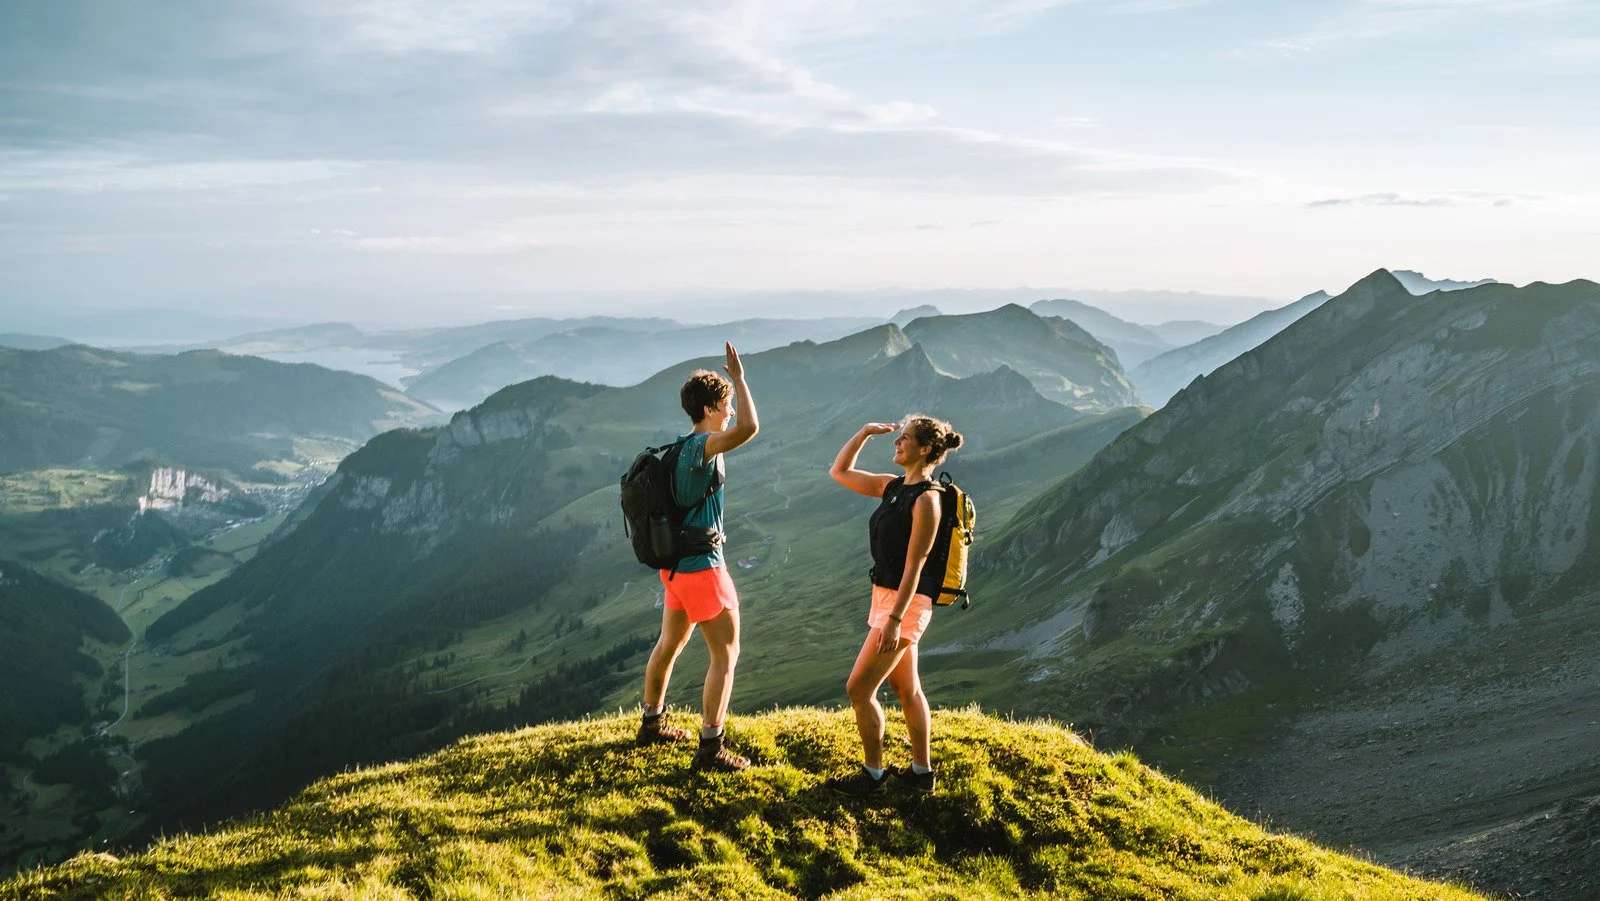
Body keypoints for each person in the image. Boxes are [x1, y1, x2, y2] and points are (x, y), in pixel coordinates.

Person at [635, 343, 760, 772]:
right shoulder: (702, 447)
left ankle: (652, 722)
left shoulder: (678, 448)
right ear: (708, 408)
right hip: (703, 569)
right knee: (726, 655)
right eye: (724, 406)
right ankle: (711, 746)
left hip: (674, 571)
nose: (729, 413)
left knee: (670, 643)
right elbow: (749, 428)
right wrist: (740, 379)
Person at [825, 414, 963, 794]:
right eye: (897, 438)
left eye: (904, 439)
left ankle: (873, 776)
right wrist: (864, 432)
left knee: (858, 689)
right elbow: (840, 471)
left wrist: (895, 620)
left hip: (907, 605)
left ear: (926, 449)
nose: (896, 444)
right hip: (887, 598)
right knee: (907, 689)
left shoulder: (928, 502)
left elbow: (915, 566)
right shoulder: (893, 487)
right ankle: (922, 774)